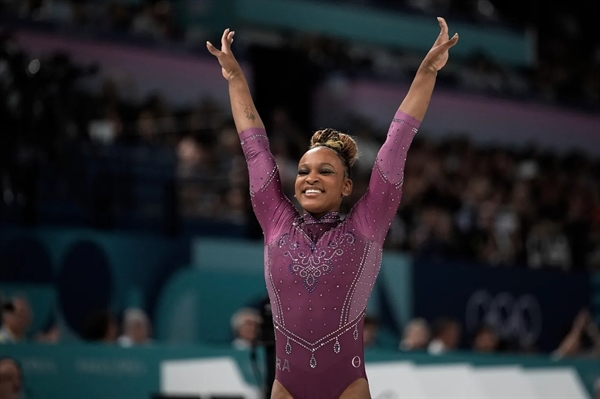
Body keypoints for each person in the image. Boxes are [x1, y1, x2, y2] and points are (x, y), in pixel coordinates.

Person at [207, 18, 459, 399]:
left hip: (347, 388)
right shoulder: (275, 219)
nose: (310, 177)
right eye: (305, 170)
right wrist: (236, 80)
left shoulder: (367, 224)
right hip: (285, 388)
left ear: (346, 185)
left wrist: (426, 71)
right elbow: (255, 148)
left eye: (325, 171)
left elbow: (397, 143)